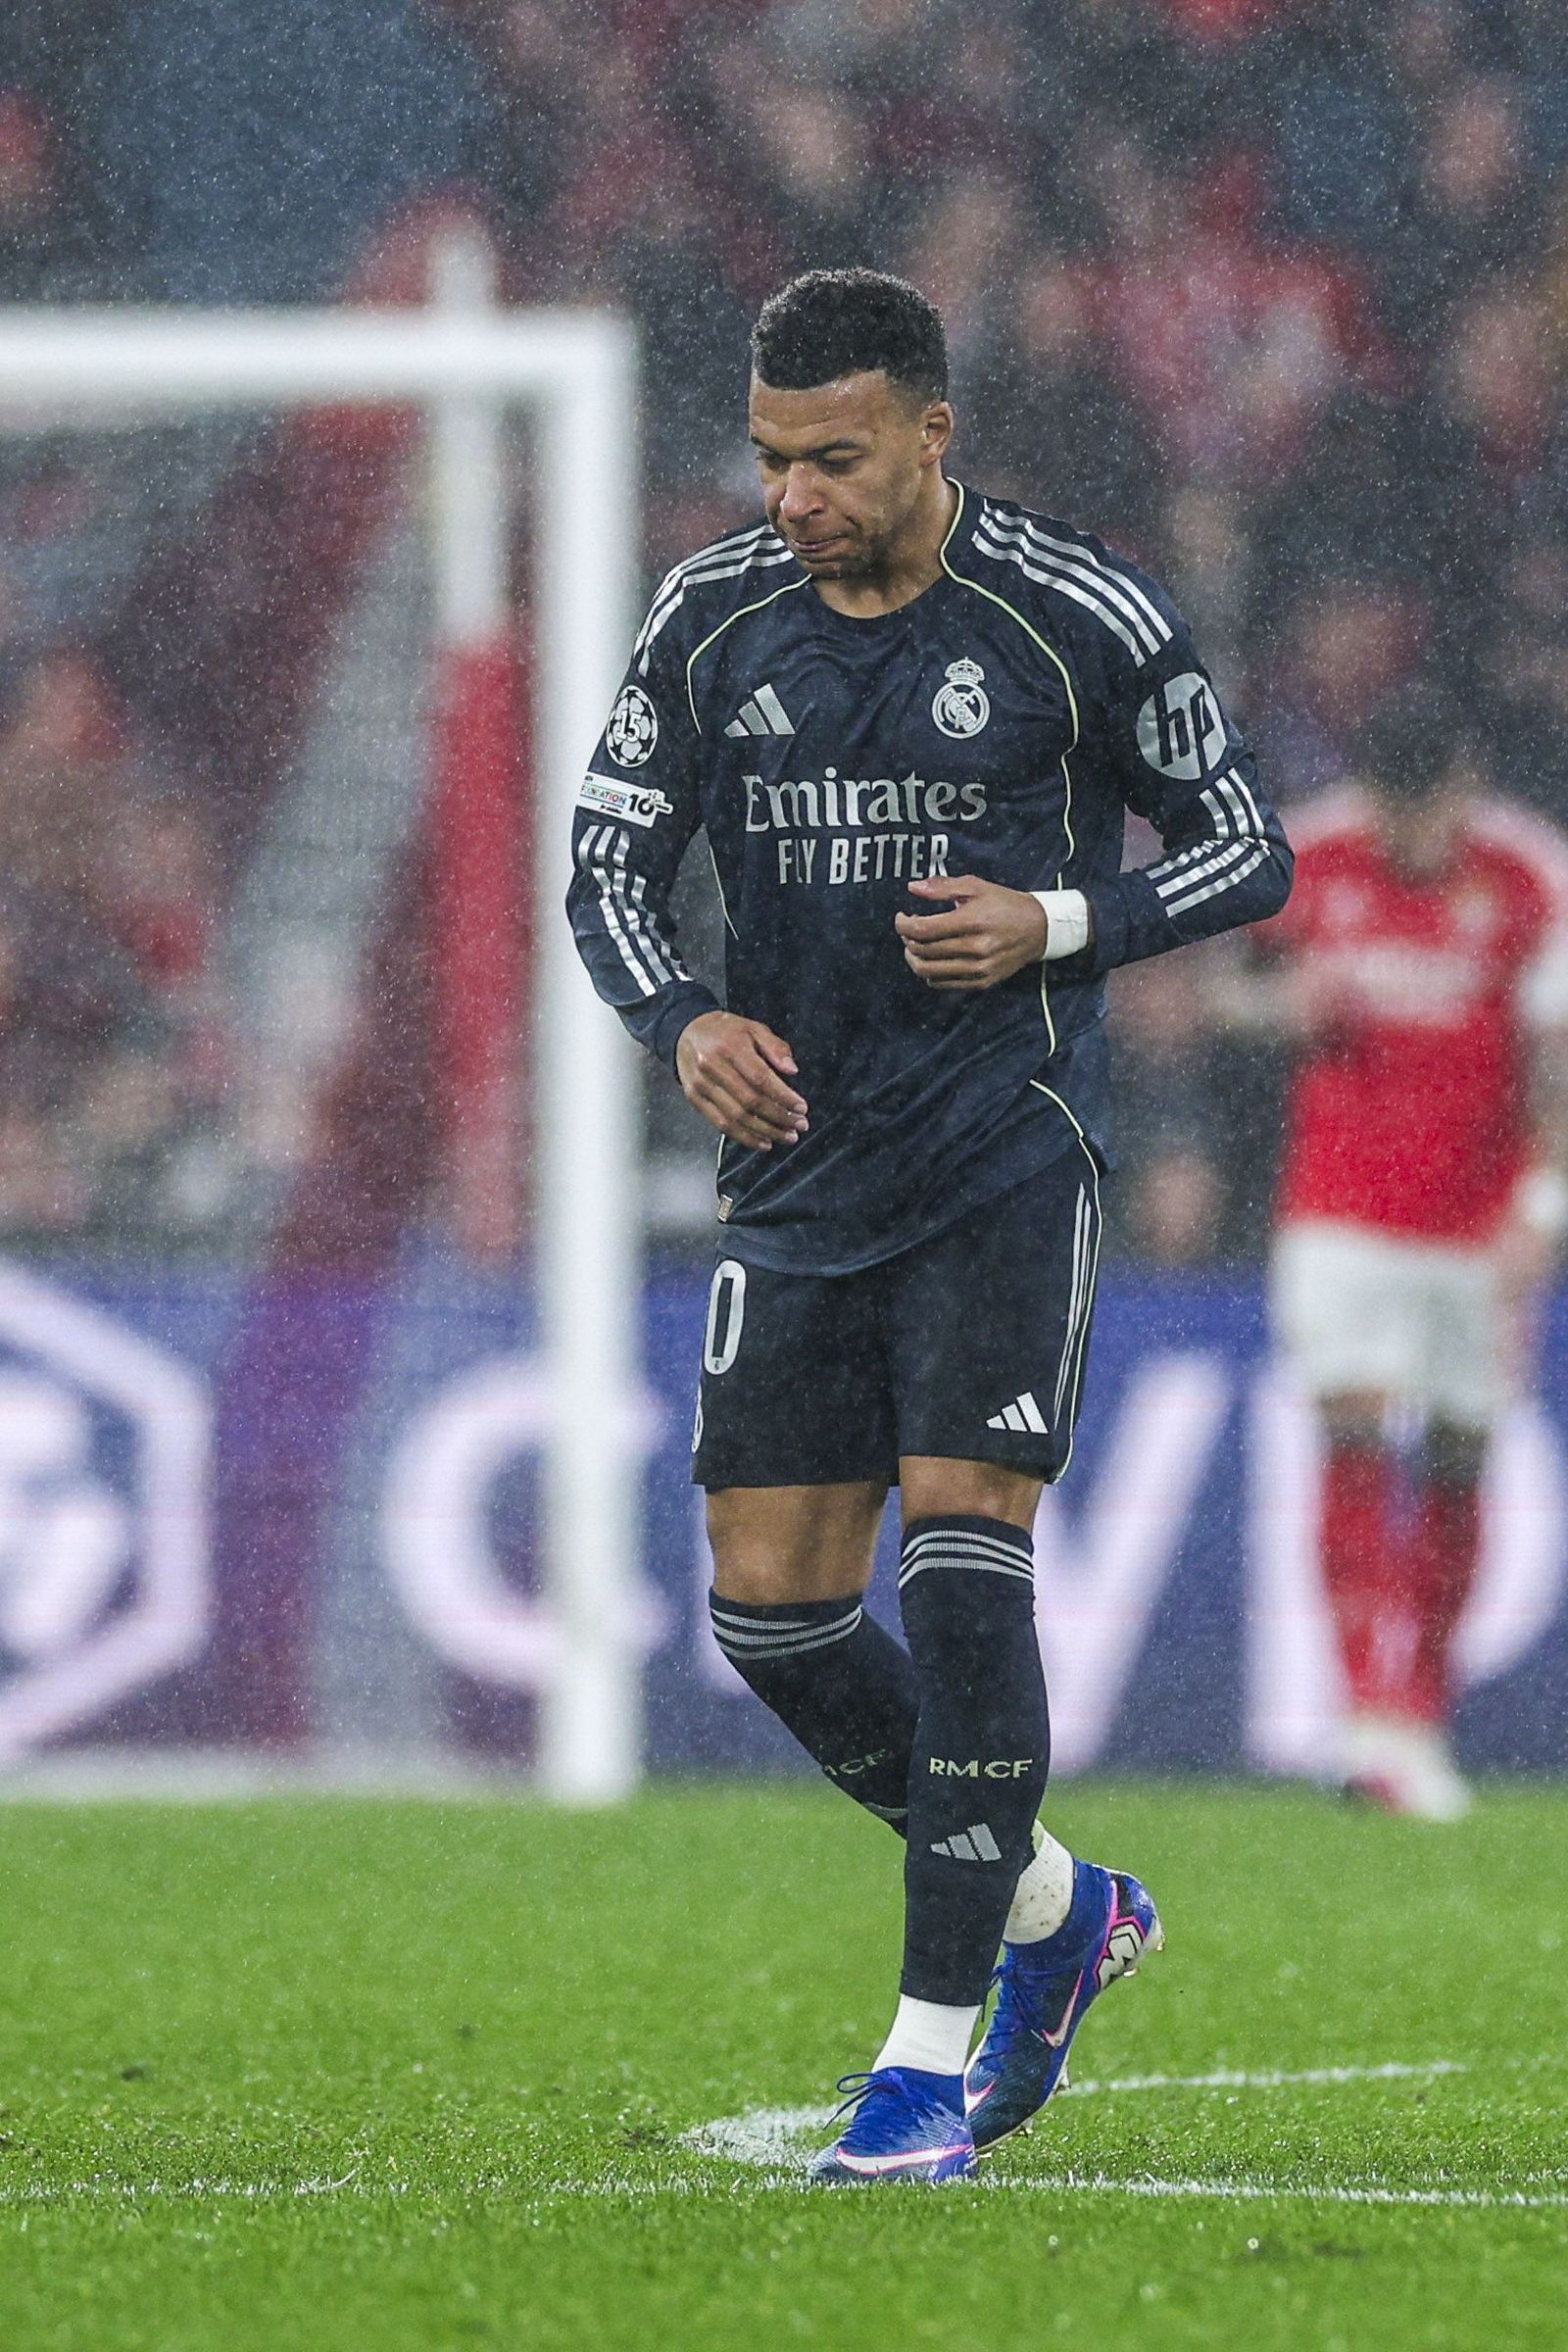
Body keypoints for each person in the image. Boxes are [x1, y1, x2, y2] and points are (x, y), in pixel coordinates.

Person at [567, 270, 1293, 2184]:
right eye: (768, 456)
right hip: (795, 1183)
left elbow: (1242, 841)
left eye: (830, 456)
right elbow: (606, 863)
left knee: (966, 1555)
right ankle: (1058, 1913)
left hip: (1000, 1157)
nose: (789, 493)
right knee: (774, 1615)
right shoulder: (711, 615)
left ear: (929, 434)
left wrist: (1057, 927)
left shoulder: (1070, 611)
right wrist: (680, 1020)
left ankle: (917, 2067)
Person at [1256, 681, 1568, 1818]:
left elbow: (1558, 1056)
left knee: (1452, 1456)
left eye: (1424, 811)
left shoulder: (1529, 872)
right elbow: (1213, 993)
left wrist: (1543, 1203)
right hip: (1337, 1208)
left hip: (1474, 1225)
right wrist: (1277, 1009)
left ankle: (1420, 1714)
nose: (1405, 837)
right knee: (1347, 1431)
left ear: (1465, 786)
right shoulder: (1312, 852)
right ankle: (1362, 1724)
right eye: (1390, 810)